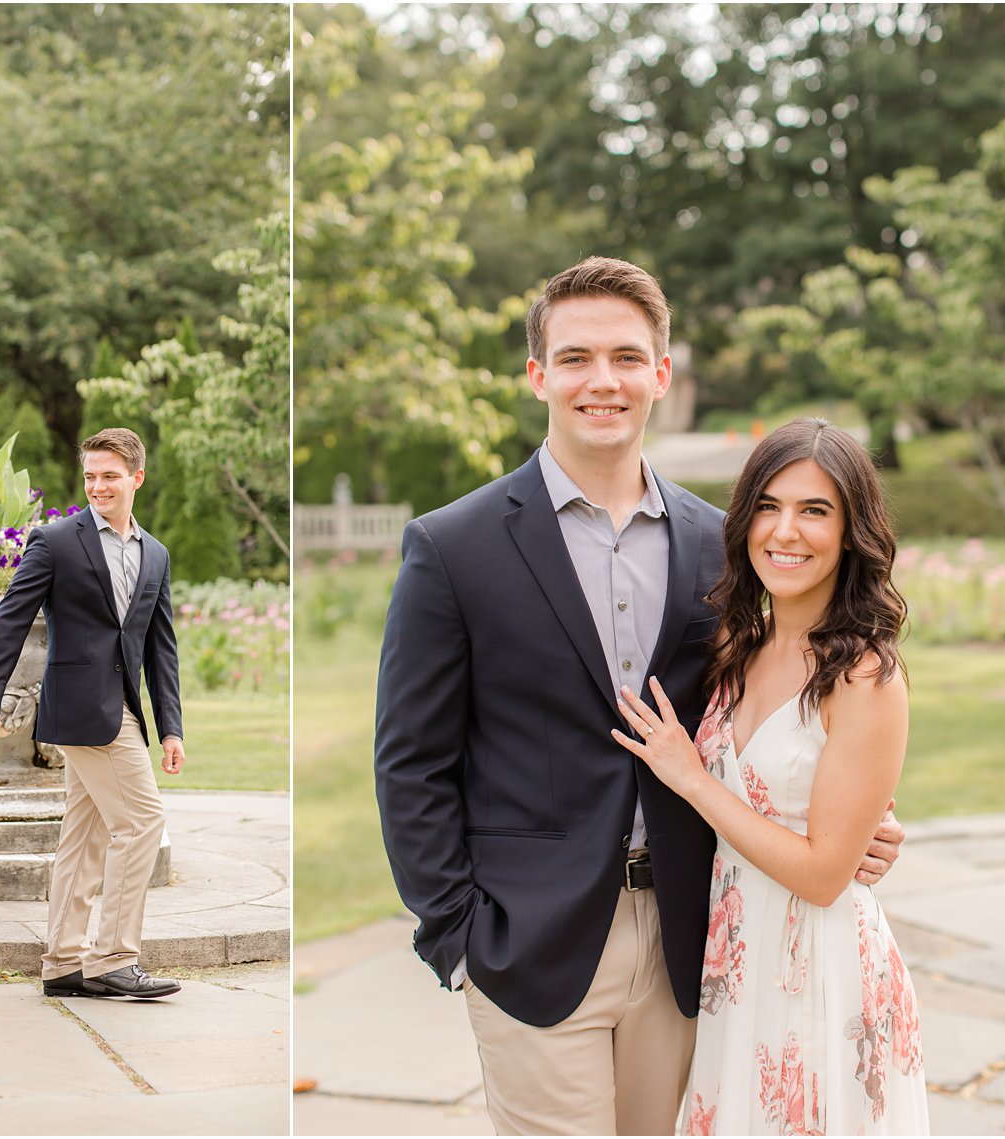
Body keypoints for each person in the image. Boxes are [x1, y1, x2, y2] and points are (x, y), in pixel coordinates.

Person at [373, 256, 904, 1135]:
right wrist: (457, 935)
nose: (602, 381)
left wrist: (860, 817)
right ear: (538, 374)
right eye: (575, 358)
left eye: (627, 357)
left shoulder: (720, 546)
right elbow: (410, 762)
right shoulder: (452, 546)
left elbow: (779, 699)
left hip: (694, 935)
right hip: (527, 941)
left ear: (662, 372)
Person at [611, 418, 927, 1134]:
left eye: (815, 510)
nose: (786, 530)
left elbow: (822, 874)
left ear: (852, 532)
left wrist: (694, 779)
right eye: (769, 505)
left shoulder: (865, 675)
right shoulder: (735, 644)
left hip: (818, 965)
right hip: (734, 957)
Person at [0, 427, 185, 999]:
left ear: (136, 477)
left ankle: (62, 962)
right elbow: (12, 618)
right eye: (89, 476)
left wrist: (172, 728)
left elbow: (161, 646)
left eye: (109, 475)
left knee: (83, 838)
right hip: (81, 709)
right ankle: (112, 957)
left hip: (124, 707)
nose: (97, 486)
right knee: (142, 823)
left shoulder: (154, 553)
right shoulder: (56, 540)